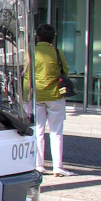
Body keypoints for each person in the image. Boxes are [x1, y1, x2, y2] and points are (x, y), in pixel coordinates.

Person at [32, 22, 72, 176]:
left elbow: (28, 75)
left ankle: (39, 165)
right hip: (55, 96)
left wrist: (27, 95)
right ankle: (58, 167)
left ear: (38, 37)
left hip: (38, 96)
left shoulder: (32, 52)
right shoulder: (57, 52)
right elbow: (65, 70)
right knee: (56, 132)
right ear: (52, 38)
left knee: (38, 131)